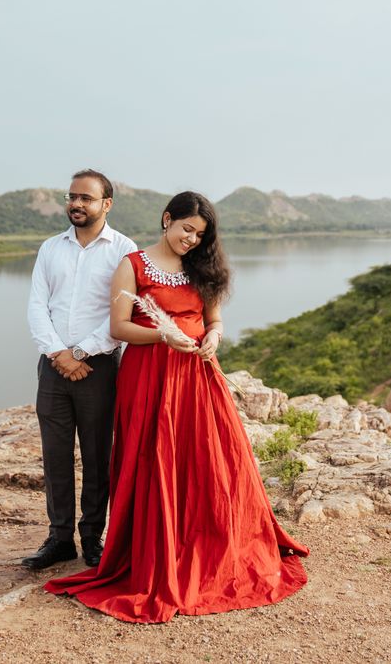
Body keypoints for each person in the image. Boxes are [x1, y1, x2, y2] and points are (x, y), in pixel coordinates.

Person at [44, 191, 308, 622]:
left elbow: (214, 318)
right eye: (187, 228)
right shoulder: (131, 264)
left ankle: (209, 543)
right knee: (155, 461)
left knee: (208, 461)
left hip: (197, 376)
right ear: (167, 219)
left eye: (200, 234)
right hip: (148, 375)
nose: (191, 239)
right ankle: (156, 550)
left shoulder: (204, 266)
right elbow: (120, 326)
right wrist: (164, 336)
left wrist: (214, 337)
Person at [23, 169, 137, 570]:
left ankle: (92, 538)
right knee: (54, 456)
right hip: (53, 368)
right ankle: (58, 539)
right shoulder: (50, 248)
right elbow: (37, 305)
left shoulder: (124, 250)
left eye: (86, 198)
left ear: (106, 204)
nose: (76, 203)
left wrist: (82, 353)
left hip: (100, 368)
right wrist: (59, 354)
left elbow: (122, 314)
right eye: (72, 196)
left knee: (96, 455)